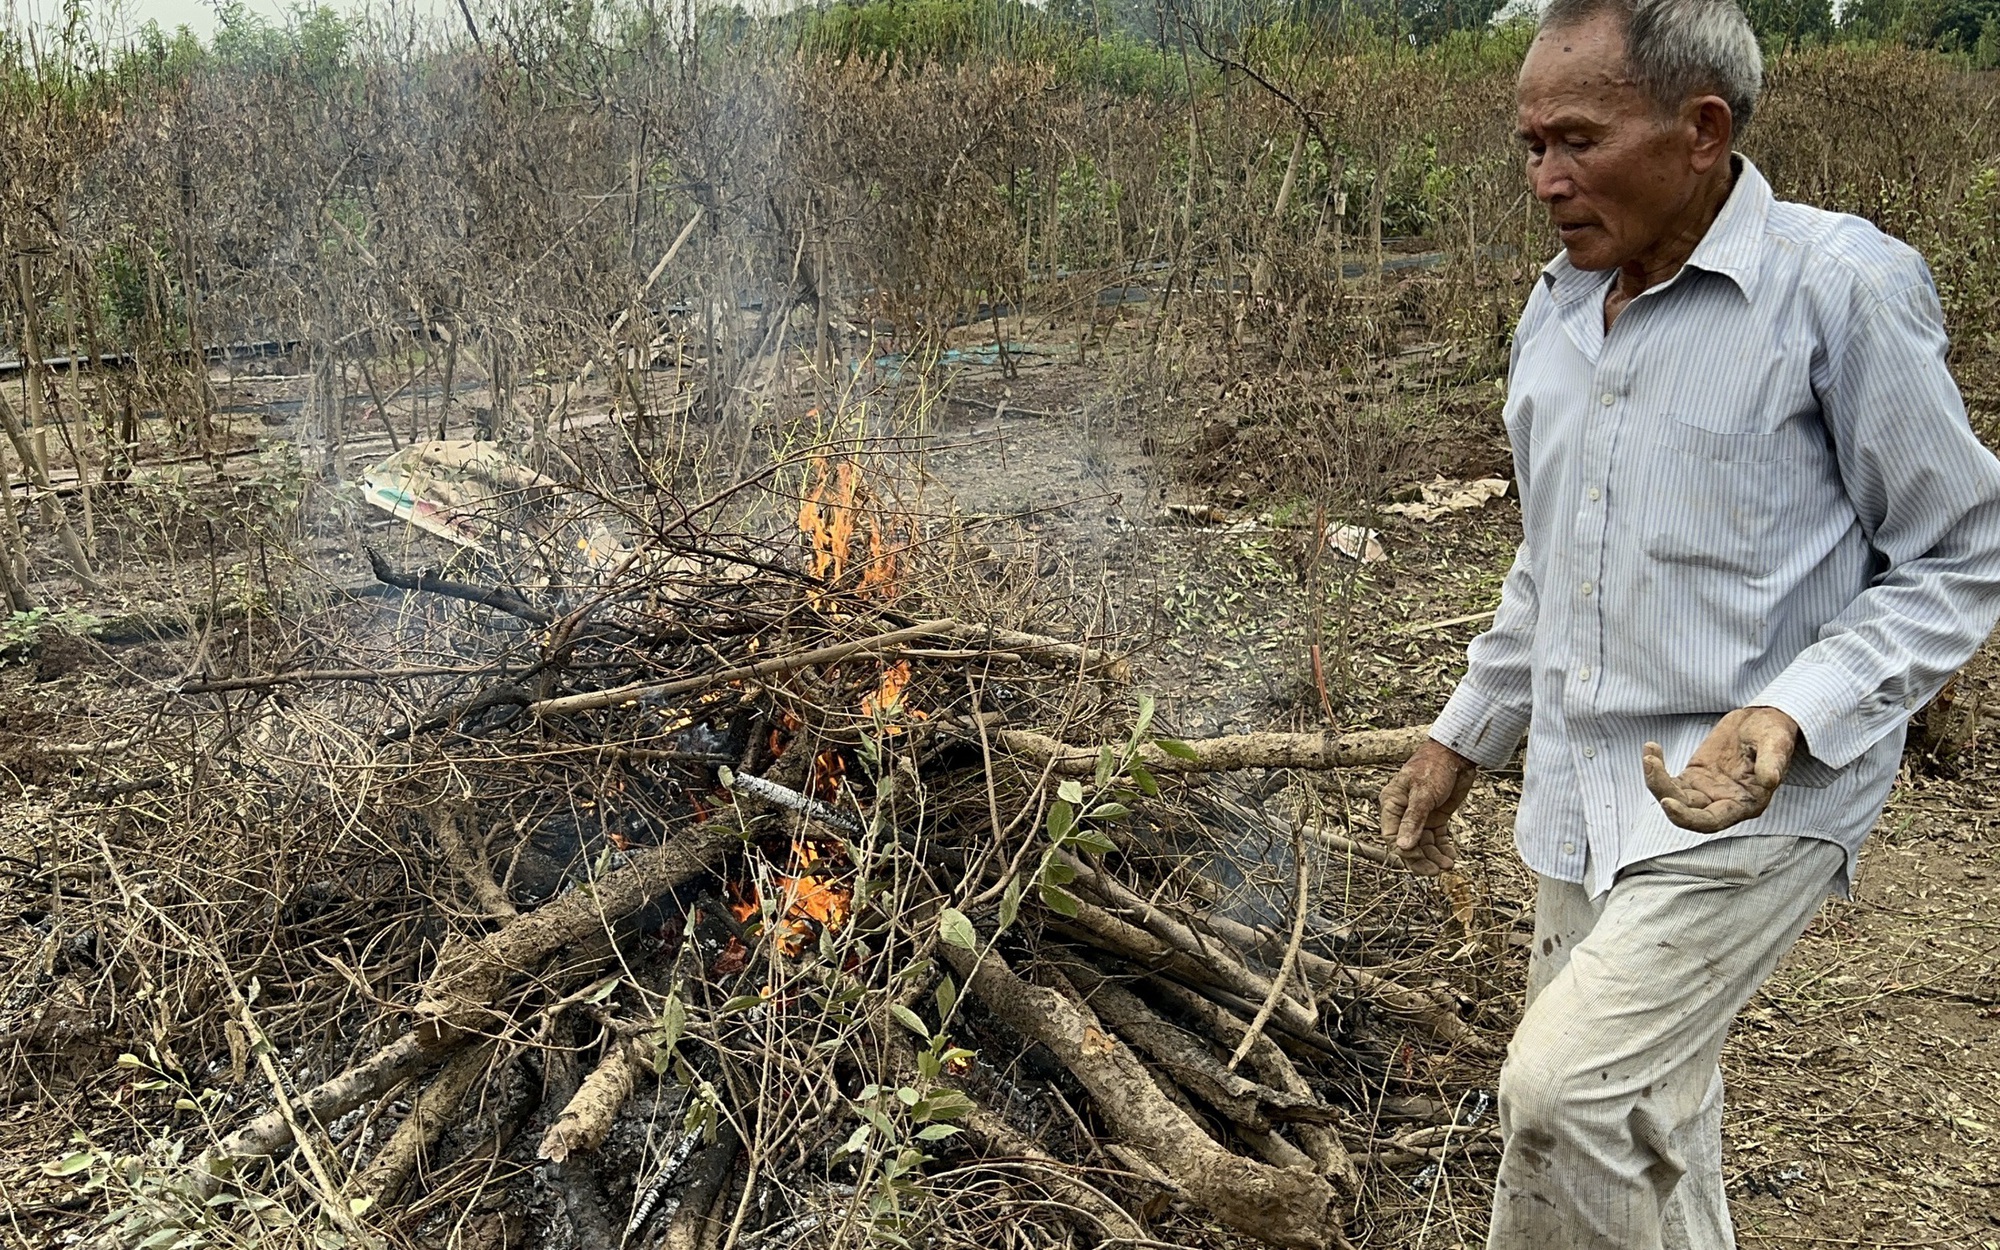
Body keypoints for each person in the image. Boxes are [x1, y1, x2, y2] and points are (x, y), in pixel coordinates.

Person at [1376, 0, 2000, 1245]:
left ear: (1699, 128)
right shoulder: (1555, 312)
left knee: (1566, 1092)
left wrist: (1786, 710)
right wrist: (1462, 737)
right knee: (1638, 1115)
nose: (1543, 179)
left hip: (1752, 800)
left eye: (1575, 140)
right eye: (1528, 145)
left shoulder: (1836, 290)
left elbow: (1958, 551)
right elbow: (1550, 565)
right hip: (1579, 784)